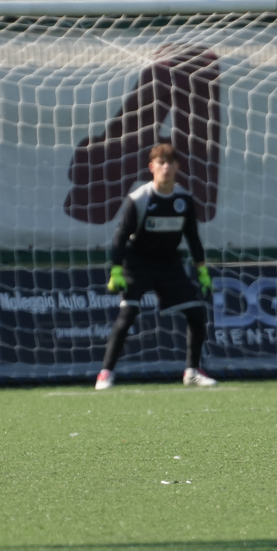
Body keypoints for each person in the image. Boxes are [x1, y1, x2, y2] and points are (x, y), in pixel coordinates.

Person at [95, 143, 216, 390]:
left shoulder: (183, 199)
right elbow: (120, 236)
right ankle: (105, 373)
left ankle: (192, 372)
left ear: (177, 166)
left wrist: (202, 270)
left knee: (196, 313)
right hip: (136, 264)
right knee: (128, 314)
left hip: (169, 264)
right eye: (161, 163)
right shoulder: (139, 199)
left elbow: (193, 238)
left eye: (170, 162)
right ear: (152, 167)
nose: (166, 167)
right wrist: (116, 270)